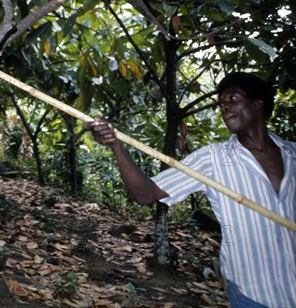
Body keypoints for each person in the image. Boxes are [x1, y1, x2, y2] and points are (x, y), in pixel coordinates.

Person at [85, 72, 295, 308]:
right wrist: (116, 145)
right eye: (222, 105)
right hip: (254, 294)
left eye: (233, 99)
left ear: (258, 104)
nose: (225, 108)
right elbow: (145, 194)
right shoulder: (212, 159)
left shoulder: (293, 154)